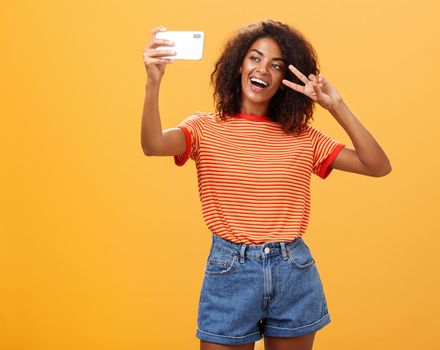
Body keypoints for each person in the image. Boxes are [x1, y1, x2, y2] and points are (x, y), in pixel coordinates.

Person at [141, 19, 391, 350]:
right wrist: (153, 84)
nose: (263, 70)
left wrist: (336, 106)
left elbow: (378, 165)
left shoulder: (303, 138)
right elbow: (153, 145)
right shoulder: (204, 127)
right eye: (255, 58)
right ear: (239, 64)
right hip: (230, 271)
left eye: (276, 65)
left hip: (293, 271)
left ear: (285, 79)